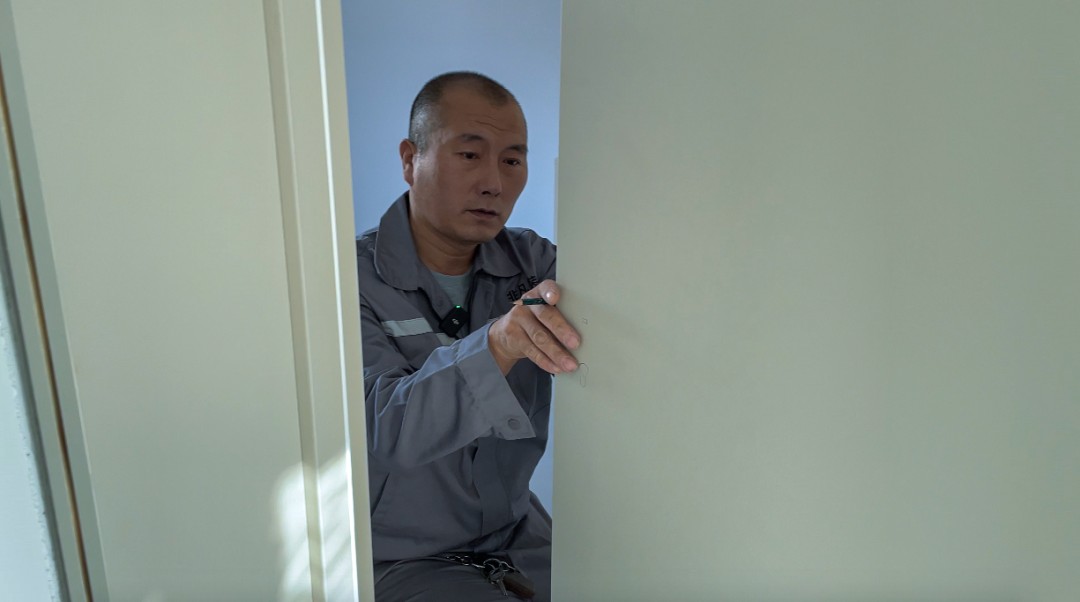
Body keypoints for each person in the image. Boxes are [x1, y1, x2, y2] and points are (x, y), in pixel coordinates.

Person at [356, 71, 580, 601]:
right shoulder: (346, 280)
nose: (494, 183)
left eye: (512, 160)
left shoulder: (534, 262)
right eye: (470, 155)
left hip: (518, 538)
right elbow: (383, 427)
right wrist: (498, 343)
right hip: (401, 560)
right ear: (410, 160)